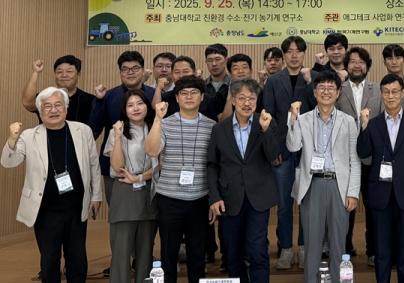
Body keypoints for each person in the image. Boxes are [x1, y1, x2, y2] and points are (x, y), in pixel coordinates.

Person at [3, 87, 102, 283]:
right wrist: (12, 140)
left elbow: (94, 165)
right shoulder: (29, 136)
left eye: (58, 105)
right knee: (49, 260)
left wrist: (96, 195)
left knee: (77, 259)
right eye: (47, 106)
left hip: (76, 207)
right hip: (45, 209)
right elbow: (8, 162)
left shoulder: (83, 131)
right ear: (40, 111)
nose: (53, 110)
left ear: (66, 108)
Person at [287, 71, 361, 282]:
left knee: (339, 243)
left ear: (338, 93)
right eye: (321, 87)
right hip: (312, 185)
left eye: (331, 88)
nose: (326, 92)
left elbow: (354, 160)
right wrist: (293, 118)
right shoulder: (303, 119)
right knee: (312, 243)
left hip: (339, 186)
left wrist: (353, 192)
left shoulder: (348, 121)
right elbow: (293, 146)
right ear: (314, 92)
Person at [357, 73, 404, 283]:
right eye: (386, 92)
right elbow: (363, 152)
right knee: (382, 252)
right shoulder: (373, 123)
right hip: (380, 196)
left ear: (402, 93)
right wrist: (363, 126)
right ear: (381, 94)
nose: (390, 96)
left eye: (395, 91)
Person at [145, 75, 217, 283]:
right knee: (169, 254)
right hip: (169, 198)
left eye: (194, 92)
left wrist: (213, 199)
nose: (189, 97)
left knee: (198, 255)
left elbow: (216, 165)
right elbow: (151, 150)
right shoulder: (165, 123)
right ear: (176, 98)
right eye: (183, 93)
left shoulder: (212, 126)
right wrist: (157, 119)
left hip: (200, 198)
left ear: (202, 97)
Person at [207, 79, 279, 283]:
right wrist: (214, 197)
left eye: (252, 99)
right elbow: (212, 165)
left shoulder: (265, 122)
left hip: (259, 196)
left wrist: (265, 130)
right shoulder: (219, 129)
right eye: (242, 98)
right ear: (233, 100)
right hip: (229, 198)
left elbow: (274, 156)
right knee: (233, 252)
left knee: (257, 250)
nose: (247, 103)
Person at [263, 35, 316, 269]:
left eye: (298, 51)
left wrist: (311, 82)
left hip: (309, 151)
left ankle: (304, 247)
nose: (294, 55)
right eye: (289, 51)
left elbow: (320, 109)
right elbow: (269, 115)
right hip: (282, 151)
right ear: (284, 55)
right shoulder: (274, 81)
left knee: (306, 202)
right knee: (284, 203)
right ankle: (285, 248)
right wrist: (274, 149)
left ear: (304, 54)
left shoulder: (313, 78)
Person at [103, 90, 158, 283]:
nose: (136, 108)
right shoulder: (116, 131)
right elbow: (117, 167)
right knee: (121, 251)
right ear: (124, 110)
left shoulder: (156, 128)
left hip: (149, 190)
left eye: (140, 103)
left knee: (145, 250)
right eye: (130, 105)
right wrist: (118, 137)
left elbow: (161, 164)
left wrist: (140, 177)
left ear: (147, 106)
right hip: (124, 190)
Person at [337, 47, 383, 260]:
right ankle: (345, 248)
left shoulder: (378, 90)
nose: (357, 65)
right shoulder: (338, 88)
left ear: (368, 66)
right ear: (346, 65)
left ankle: (373, 249)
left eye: (361, 62)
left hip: (372, 158)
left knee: (374, 206)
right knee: (346, 207)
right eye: (353, 61)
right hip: (344, 158)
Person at [22, 55, 95, 125]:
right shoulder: (46, 96)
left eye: (69, 71)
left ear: (78, 74)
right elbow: (27, 103)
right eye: (59, 72)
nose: (64, 75)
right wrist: (36, 72)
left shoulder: (91, 100)